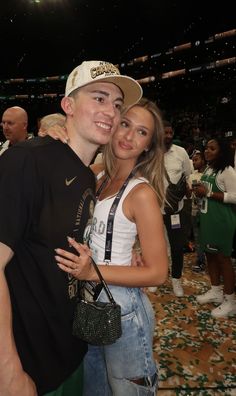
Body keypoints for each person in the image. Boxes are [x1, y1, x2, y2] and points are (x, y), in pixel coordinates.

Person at [0, 60, 142, 396]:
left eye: (117, 104)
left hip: (70, 348)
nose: (111, 111)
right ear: (68, 105)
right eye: (99, 97)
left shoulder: (84, 175)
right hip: (28, 366)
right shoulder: (25, 161)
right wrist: (8, 370)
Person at [52, 98, 169, 395]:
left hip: (124, 308)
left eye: (142, 133)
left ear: (148, 146)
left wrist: (93, 272)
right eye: (126, 124)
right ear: (114, 124)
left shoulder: (141, 193)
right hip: (91, 302)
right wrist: (55, 135)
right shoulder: (99, 175)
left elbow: (158, 273)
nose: (129, 137)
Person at [193, 137, 236, 318]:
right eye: (206, 148)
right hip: (208, 218)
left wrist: (208, 193)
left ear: (222, 151)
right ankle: (215, 290)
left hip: (221, 221)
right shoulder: (210, 168)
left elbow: (235, 196)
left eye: (212, 148)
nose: (207, 151)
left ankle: (231, 301)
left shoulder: (228, 171)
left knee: (223, 258)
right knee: (210, 255)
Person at [162, 120, 192, 297]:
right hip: (154, 210)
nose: (168, 136)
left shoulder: (180, 153)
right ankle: (158, 277)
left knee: (177, 247)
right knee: (157, 246)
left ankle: (176, 280)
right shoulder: (150, 153)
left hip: (176, 209)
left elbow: (187, 176)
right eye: (165, 133)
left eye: (170, 133)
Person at [188, 150, 207, 272]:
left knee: (208, 236)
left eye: (196, 160)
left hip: (207, 211)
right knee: (197, 236)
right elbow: (189, 193)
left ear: (203, 160)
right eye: (193, 160)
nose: (194, 162)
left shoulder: (208, 174)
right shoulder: (191, 176)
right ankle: (200, 260)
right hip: (194, 210)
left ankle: (210, 259)